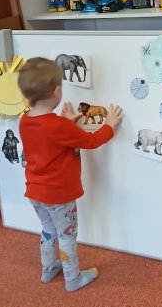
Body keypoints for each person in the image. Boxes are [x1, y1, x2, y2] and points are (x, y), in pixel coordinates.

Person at [17, 57, 124, 293]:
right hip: (59, 195)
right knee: (68, 236)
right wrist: (110, 124)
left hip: (35, 192)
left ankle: (48, 270)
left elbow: (48, 140)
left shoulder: (25, 121)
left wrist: (66, 123)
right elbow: (91, 141)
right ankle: (73, 279)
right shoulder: (58, 126)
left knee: (48, 231)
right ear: (57, 91)